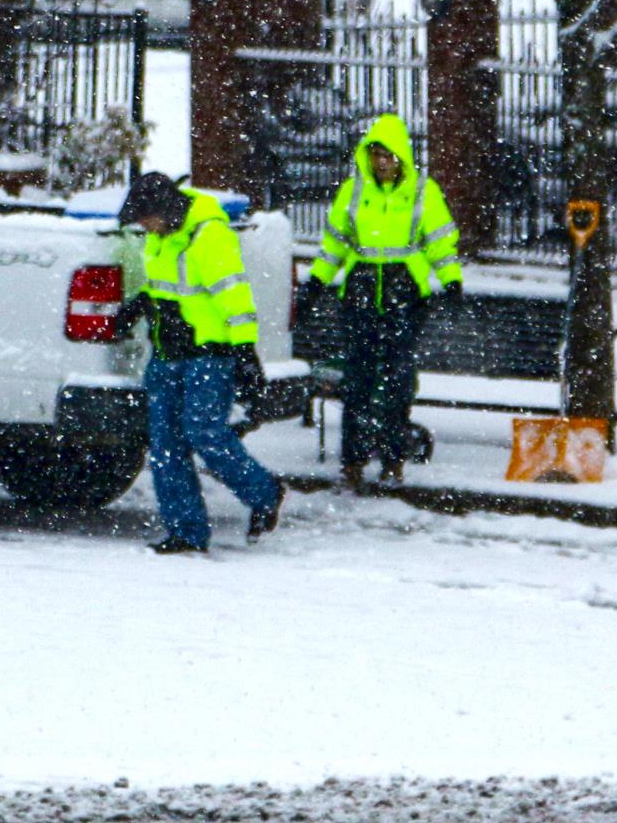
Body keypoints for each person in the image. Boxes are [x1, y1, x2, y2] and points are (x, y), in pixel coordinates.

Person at [114, 172, 286, 555]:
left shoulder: (210, 234)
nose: (143, 227)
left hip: (209, 352)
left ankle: (265, 493)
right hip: (166, 352)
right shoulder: (160, 237)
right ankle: (187, 532)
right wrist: (139, 305)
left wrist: (245, 353)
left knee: (204, 432)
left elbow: (235, 295)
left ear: (166, 209)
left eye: (146, 218)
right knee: (165, 446)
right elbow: (164, 284)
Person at [299, 114, 463, 488]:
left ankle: (392, 457)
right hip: (361, 290)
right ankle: (353, 460)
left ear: (401, 156)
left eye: (388, 155)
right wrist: (315, 283)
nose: (382, 163)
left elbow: (440, 242)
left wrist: (451, 280)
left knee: (397, 380)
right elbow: (334, 244)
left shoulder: (424, 191)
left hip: (403, 293)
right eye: (376, 155)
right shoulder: (353, 191)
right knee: (358, 380)